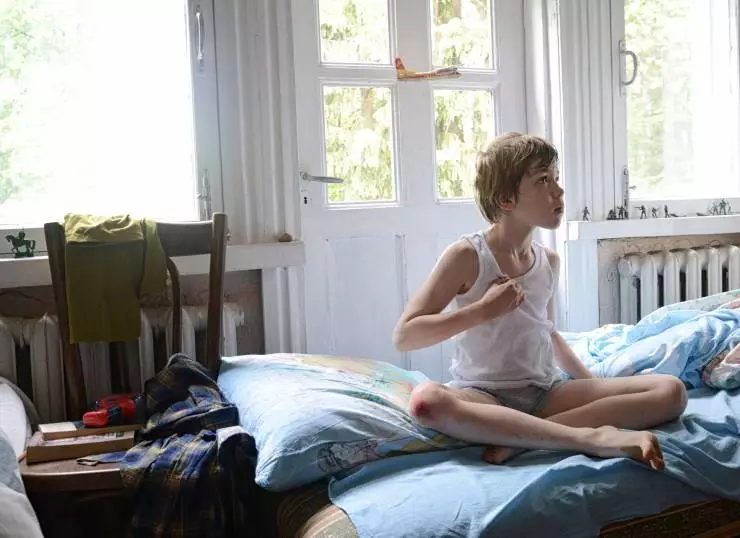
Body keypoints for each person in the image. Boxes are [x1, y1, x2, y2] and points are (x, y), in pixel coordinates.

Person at [392, 133, 687, 470]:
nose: (559, 191)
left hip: (546, 393)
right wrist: (483, 310)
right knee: (426, 402)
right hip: (484, 395)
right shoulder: (467, 255)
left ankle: (522, 439)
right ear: (506, 199)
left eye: (557, 178)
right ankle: (590, 438)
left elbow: (547, 331)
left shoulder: (548, 261)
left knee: (671, 391)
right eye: (543, 180)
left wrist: (592, 384)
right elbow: (405, 336)